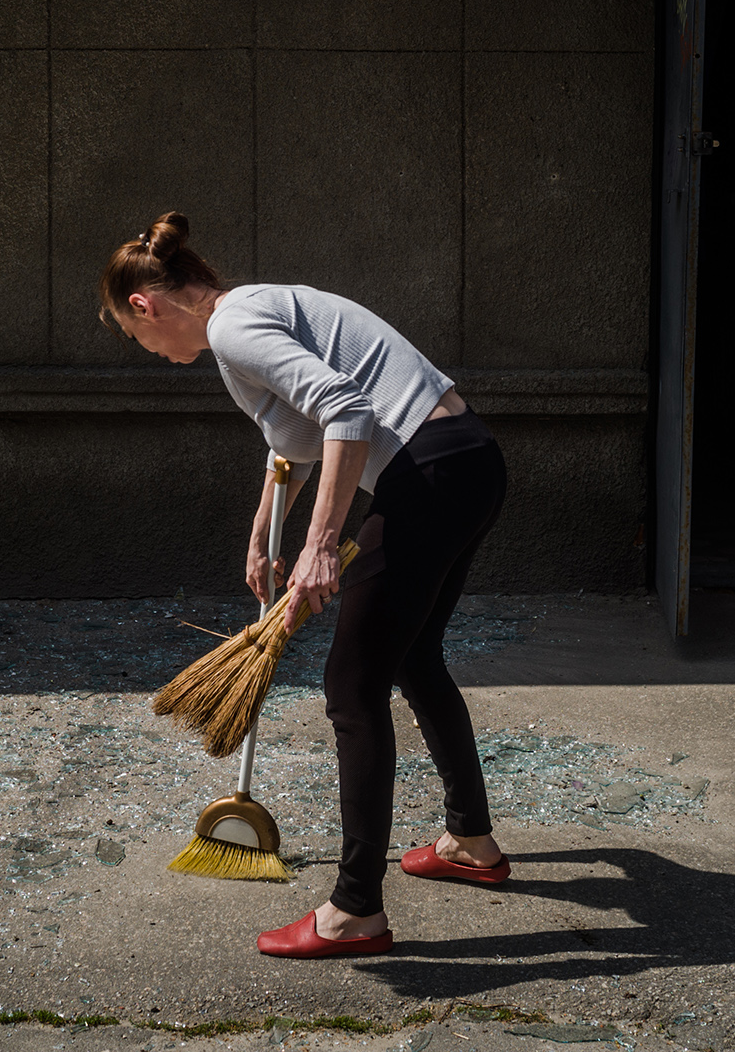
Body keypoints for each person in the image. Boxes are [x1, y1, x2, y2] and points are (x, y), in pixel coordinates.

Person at [99, 211, 513, 958]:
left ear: (145, 304)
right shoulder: (251, 311)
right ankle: (469, 840)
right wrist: (265, 533)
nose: (151, 353)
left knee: (353, 690)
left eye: (138, 340)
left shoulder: (232, 330)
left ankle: (356, 910)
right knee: (414, 659)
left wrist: (321, 546)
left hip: (429, 474)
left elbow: (346, 413)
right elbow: (296, 439)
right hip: (468, 460)